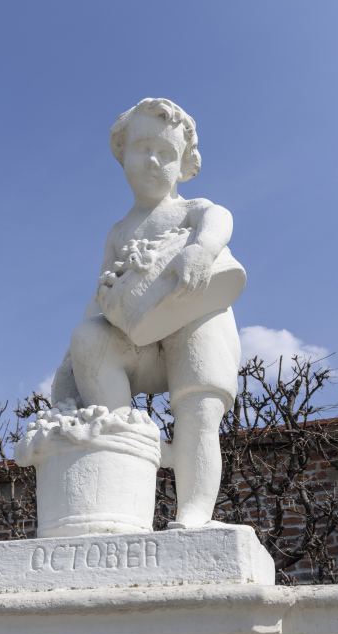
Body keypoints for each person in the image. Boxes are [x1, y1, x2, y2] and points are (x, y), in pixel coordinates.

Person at [51, 98, 243, 529]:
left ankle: (193, 510)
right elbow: (102, 293)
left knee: (197, 411)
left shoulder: (189, 211)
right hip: (138, 335)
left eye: (167, 153)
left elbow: (220, 217)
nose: (154, 160)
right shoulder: (119, 232)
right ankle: (134, 444)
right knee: (88, 340)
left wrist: (201, 248)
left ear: (185, 165)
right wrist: (72, 357)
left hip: (195, 319)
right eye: (143, 148)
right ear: (122, 154)